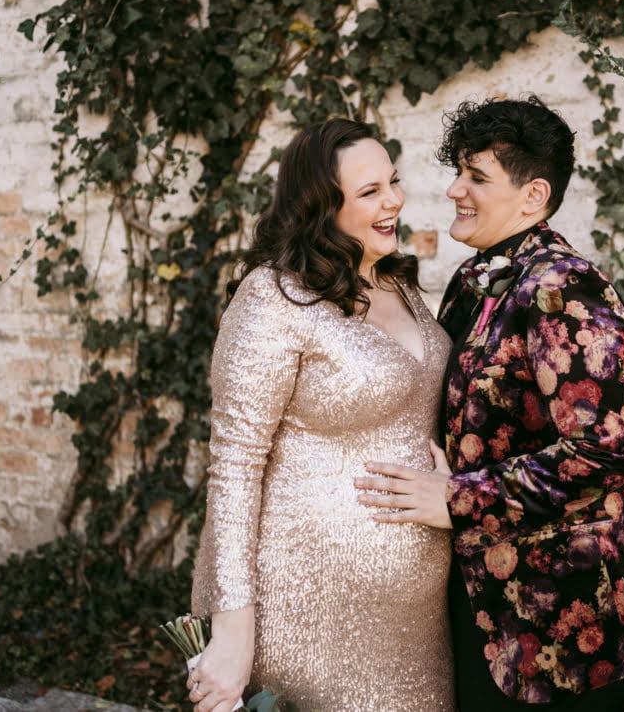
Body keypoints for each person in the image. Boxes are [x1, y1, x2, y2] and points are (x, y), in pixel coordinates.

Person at [356, 96, 624, 709]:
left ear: (534, 195)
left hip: (568, 611)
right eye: (459, 170)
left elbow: (603, 451)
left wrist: (457, 498)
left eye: (476, 177)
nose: (455, 189)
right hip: (491, 596)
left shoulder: (564, 287)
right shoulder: (477, 278)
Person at [188, 119, 455, 712]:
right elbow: (234, 464)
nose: (393, 201)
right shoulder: (274, 296)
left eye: (393, 181)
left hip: (415, 613)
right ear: (322, 207)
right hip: (307, 603)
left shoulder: (396, 281)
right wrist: (232, 628)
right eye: (369, 192)